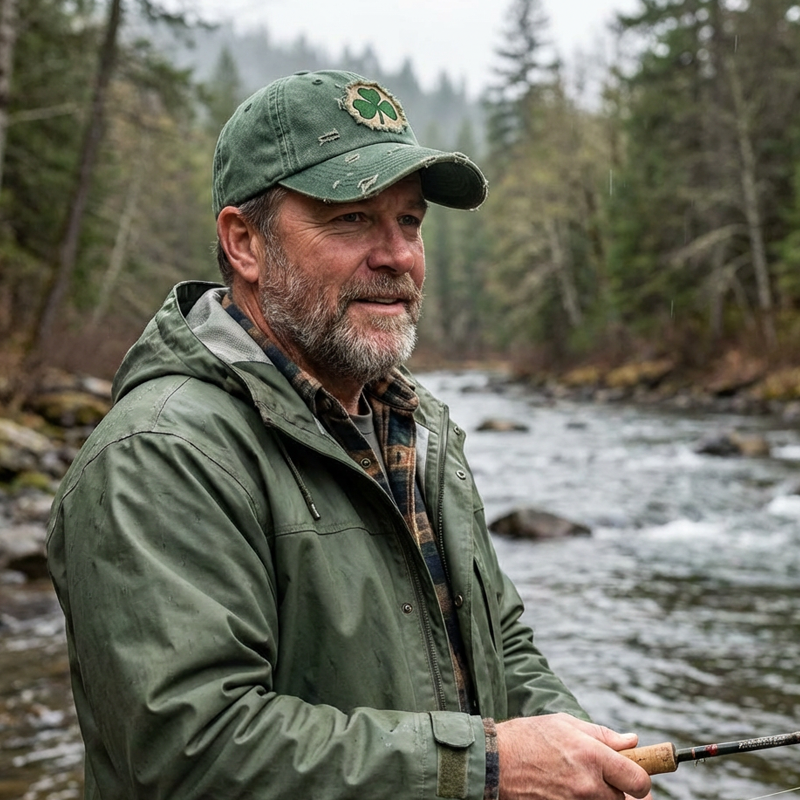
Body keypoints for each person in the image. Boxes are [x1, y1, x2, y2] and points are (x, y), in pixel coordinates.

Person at [47, 69, 652, 800]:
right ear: (245, 243)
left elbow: (502, 645)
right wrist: (488, 766)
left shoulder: (420, 431)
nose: (397, 256)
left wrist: (586, 754)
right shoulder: (159, 456)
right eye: (352, 219)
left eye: (411, 222)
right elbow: (189, 753)